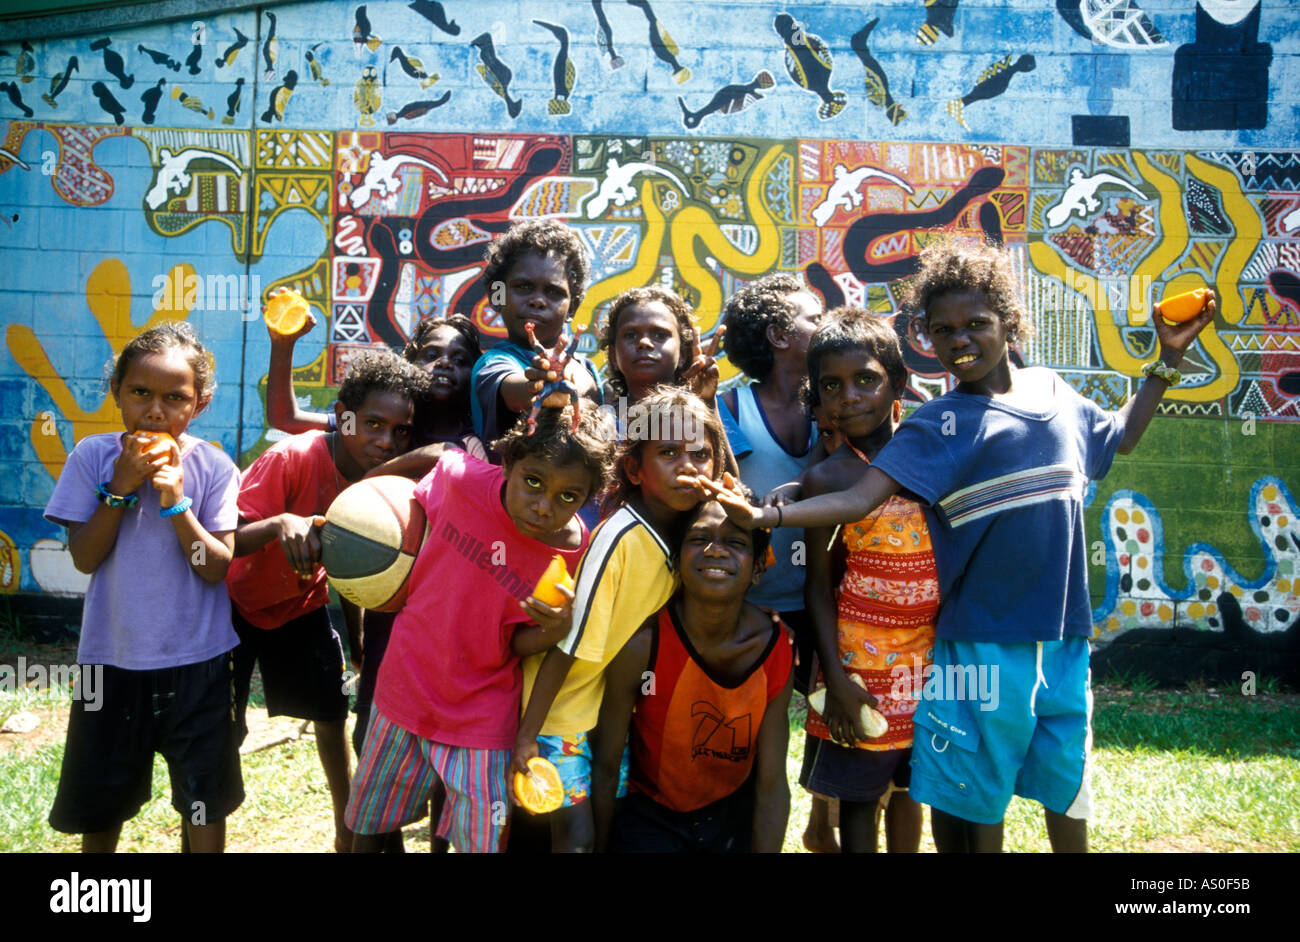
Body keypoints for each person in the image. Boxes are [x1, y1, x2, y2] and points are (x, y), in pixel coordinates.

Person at [698, 235, 1218, 853]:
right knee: (977, 790)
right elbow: (860, 498)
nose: (960, 340)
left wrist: (1167, 359)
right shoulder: (939, 425)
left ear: (1011, 323)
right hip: (980, 634)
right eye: (942, 331)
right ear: (927, 340)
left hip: (1066, 634)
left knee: (1066, 781)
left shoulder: (1055, 393)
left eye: (976, 323)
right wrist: (765, 516)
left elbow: (1121, 437)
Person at [345, 404, 617, 853]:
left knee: (482, 841)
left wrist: (555, 629)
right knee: (371, 828)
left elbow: (513, 642)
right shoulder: (462, 481)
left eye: (569, 497)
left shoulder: (571, 552)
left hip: (482, 716)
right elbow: (440, 454)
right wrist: (363, 486)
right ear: (509, 462)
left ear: (588, 495)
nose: (544, 506)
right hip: (404, 690)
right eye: (533, 481)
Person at [44, 322, 242, 853]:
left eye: (175, 398)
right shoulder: (92, 457)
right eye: (141, 393)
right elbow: (85, 558)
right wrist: (120, 489)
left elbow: (213, 566)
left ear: (197, 405)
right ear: (118, 395)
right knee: (101, 801)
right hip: (111, 660)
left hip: (197, 662)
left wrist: (176, 500)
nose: (156, 411)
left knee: (203, 798)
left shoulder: (214, 467)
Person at [226, 349, 427, 853]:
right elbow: (226, 536)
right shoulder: (293, 456)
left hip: (302, 605)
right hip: (231, 607)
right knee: (221, 729)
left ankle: (345, 828)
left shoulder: (383, 480)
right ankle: (206, 827)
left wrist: (357, 636)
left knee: (331, 708)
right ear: (343, 417)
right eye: (374, 424)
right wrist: (278, 524)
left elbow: (356, 568)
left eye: (401, 431)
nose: (386, 440)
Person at [513, 387, 726, 852]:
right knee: (574, 838)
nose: (687, 466)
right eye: (668, 453)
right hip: (555, 712)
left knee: (602, 819)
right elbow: (566, 643)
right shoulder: (621, 537)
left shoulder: (688, 536)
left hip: (600, 709)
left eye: (701, 454)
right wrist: (526, 737)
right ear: (634, 468)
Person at [799, 309, 937, 853]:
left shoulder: (933, 458)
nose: (849, 397)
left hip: (930, 664)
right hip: (858, 664)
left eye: (866, 379)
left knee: (911, 790)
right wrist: (834, 677)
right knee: (857, 798)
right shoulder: (826, 480)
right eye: (831, 385)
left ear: (898, 383)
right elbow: (817, 586)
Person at [592, 498, 793, 853]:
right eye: (699, 539)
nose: (715, 551)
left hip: (730, 814)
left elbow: (772, 784)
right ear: (676, 559)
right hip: (650, 815)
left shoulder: (775, 647)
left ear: (759, 567)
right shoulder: (644, 644)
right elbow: (607, 766)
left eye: (736, 543)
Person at [717, 273, 831, 849]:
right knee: (753, 730)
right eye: (816, 315)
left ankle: (823, 820)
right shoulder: (729, 405)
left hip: (823, 598)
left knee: (828, 708)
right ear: (781, 334)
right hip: (751, 602)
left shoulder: (835, 403)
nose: (828, 320)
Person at [470, 219, 602, 458]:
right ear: (497, 295)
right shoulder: (493, 363)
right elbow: (514, 391)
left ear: (572, 308)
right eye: (522, 286)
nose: (537, 301)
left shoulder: (587, 369)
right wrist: (542, 385)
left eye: (553, 292)